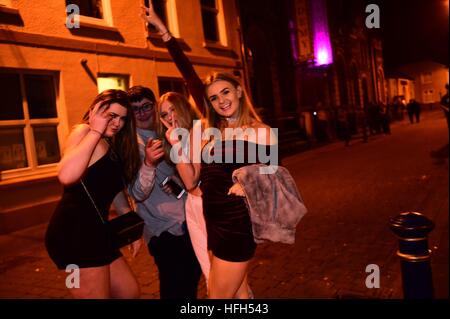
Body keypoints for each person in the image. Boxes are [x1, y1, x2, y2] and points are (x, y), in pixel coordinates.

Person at [45, 89, 142, 299]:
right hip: (72, 234)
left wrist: (131, 230)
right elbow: (66, 175)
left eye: (122, 119)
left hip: (97, 231)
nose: (117, 123)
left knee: (129, 292)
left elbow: (113, 191)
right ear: (95, 111)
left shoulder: (110, 143)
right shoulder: (83, 132)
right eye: (111, 116)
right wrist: (95, 131)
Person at [127, 86, 202, 299]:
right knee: (176, 289)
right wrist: (149, 164)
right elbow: (137, 193)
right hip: (166, 231)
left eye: (146, 106)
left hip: (188, 222)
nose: (141, 113)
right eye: (135, 109)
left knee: (190, 285)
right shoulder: (133, 144)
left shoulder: (165, 134)